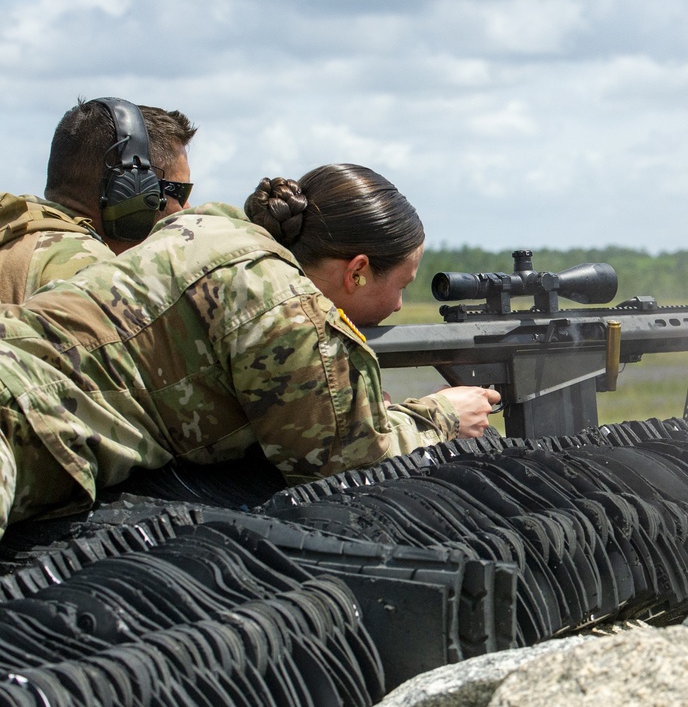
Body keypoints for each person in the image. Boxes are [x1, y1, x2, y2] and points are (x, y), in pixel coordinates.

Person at [0, 163, 500, 538]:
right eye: (402, 285)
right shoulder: (284, 306)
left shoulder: (210, 229)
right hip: (20, 419)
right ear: (358, 270)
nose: (397, 304)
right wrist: (442, 416)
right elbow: (348, 466)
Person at [0, 97, 197, 303]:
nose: (186, 208)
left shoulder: (15, 235)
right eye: (180, 191)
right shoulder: (87, 270)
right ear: (133, 192)